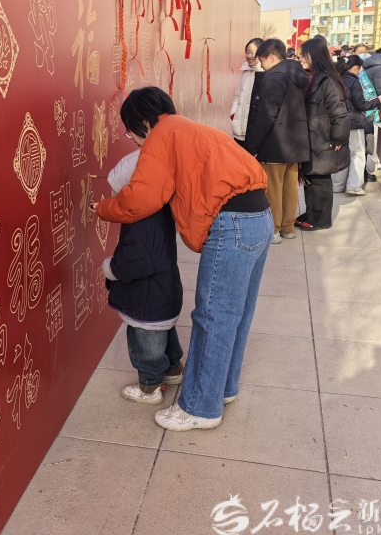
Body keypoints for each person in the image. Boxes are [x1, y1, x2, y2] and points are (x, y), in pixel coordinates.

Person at [95, 87, 272, 432]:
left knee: (213, 317)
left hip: (232, 223)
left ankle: (200, 408)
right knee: (235, 315)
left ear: (144, 122)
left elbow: (141, 199)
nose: (134, 140)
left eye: (131, 131)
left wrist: (103, 207)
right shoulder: (188, 129)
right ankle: (223, 389)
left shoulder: (161, 134)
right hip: (259, 218)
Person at [101, 149, 184, 405]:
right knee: (164, 334)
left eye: (119, 193)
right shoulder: (158, 210)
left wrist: (110, 267)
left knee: (146, 342)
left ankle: (149, 386)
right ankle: (173, 369)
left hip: (146, 299)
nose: (115, 199)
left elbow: (135, 261)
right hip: (163, 291)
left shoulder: (142, 223)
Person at [244, 38, 310, 242]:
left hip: (275, 143)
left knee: (272, 188)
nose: (261, 65)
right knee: (290, 189)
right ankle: (288, 227)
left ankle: (273, 230)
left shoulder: (274, 78)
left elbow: (266, 114)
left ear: (271, 57)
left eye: (262, 60)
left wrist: (252, 146)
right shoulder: (297, 76)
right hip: (295, 143)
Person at [296, 38, 351, 230]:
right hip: (313, 139)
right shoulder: (312, 78)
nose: (300, 58)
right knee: (311, 177)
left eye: (304, 55)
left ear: (315, 55)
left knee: (320, 179)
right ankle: (311, 213)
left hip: (324, 139)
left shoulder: (327, 80)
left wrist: (338, 138)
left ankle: (320, 220)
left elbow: (340, 113)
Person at [334, 56, 381, 195]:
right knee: (357, 153)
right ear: (356, 67)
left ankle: (337, 185)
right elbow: (361, 104)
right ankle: (354, 186)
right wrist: (377, 100)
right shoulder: (354, 82)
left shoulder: (336, 80)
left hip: (339, 122)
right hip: (353, 122)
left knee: (342, 154)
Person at [230, 38, 265, 146]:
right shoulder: (245, 72)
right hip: (239, 130)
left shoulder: (265, 74)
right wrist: (234, 113)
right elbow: (237, 95)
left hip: (254, 132)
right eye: (247, 52)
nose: (249, 56)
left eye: (253, 52)